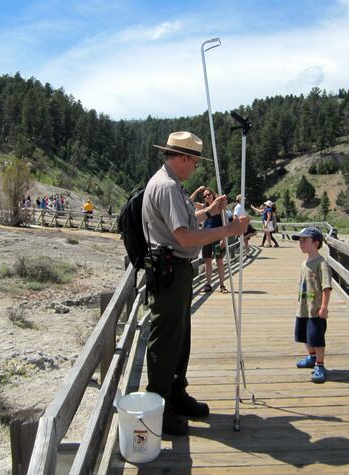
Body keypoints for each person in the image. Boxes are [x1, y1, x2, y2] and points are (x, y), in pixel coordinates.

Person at [142, 131, 248, 436]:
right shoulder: (167, 188)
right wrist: (227, 230)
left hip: (174, 269)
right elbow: (184, 236)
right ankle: (158, 407)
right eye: (195, 161)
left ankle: (175, 395)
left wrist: (209, 213)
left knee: (179, 337)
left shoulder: (169, 185)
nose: (196, 168)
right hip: (170, 269)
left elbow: (185, 224)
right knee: (166, 339)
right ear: (183, 158)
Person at [291, 227, 332, 383]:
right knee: (305, 337)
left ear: (316, 243)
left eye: (304, 240)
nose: (301, 244)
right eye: (300, 241)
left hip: (315, 310)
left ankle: (320, 365)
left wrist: (324, 307)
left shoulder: (321, 264)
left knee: (317, 338)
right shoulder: (304, 263)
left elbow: (326, 287)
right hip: (303, 308)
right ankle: (311, 357)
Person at [200, 187, 228, 293]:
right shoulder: (205, 207)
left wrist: (223, 239)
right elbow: (203, 223)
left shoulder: (220, 207)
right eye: (205, 196)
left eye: (209, 194)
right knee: (207, 261)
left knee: (219, 261)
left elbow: (225, 223)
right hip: (206, 238)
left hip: (217, 237)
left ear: (213, 194)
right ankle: (208, 284)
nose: (207, 196)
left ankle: (222, 285)